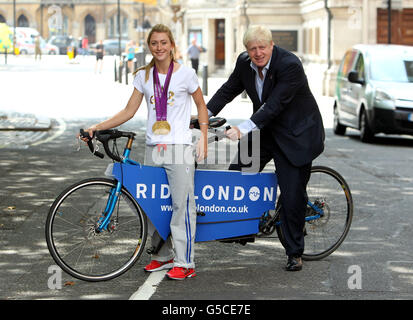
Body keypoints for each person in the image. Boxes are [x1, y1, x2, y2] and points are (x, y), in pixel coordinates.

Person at [83, 24, 209, 280]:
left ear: (172, 45)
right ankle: (163, 256)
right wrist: (97, 126)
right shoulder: (143, 76)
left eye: (164, 42)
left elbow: (201, 106)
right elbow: (128, 111)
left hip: (180, 148)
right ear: (149, 46)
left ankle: (185, 262)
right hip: (154, 148)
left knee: (182, 204)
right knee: (153, 205)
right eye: (155, 43)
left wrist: (203, 137)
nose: (159, 47)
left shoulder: (186, 74)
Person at [206, 26, 325, 272]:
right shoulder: (245, 63)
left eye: (262, 47)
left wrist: (243, 128)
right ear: (246, 50)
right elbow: (228, 90)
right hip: (266, 130)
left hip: (295, 135)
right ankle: (240, 228)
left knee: (292, 195)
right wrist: (203, 116)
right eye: (252, 49)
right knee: (238, 175)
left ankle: (294, 253)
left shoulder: (289, 65)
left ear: (272, 46)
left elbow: (274, 105)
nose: (258, 53)